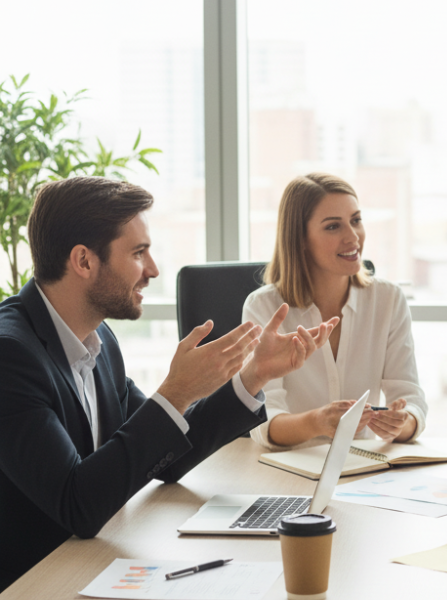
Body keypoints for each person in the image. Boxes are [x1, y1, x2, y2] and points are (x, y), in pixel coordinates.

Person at [0, 177, 336, 591]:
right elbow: (77, 506)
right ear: (84, 261)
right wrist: (176, 392)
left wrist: (254, 375)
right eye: (138, 253)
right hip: (35, 582)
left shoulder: (99, 339)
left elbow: (169, 458)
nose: (153, 270)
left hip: (89, 563)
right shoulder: (10, 355)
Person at [244, 173, 427, 449]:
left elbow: (410, 398)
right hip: (288, 465)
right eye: (333, 227)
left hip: (363, 466)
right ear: (300, 238)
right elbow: (262, 422)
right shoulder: (264, 307)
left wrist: (402, 423)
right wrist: (316, 422)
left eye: (356, 220)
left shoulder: (388, 299)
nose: (353, 237)